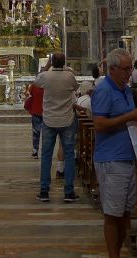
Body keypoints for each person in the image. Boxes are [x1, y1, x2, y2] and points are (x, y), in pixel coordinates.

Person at [91, 48, 137, 258]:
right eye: (125, 69)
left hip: (126, 158)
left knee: (125, 212)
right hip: (111, 159)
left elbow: (125, 117)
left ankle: (119, 252)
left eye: (130, 68)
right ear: (112, 69)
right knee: (113, 214)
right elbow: (98, 124)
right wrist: (129, 117)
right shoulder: (104, 90)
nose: (129, 73)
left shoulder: (124, 89)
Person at [34, 52, 79, 203]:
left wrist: (46, 67)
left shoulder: (46, 76)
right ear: (64, 63)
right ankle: (69, 191)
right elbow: (75, 87)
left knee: (46, 155)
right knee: (69, 155)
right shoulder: (69, 76)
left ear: (51, 62)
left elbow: (36, 82)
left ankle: (44, 191)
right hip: (67, 119)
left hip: (49, 120)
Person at [24, 77, 45, 158]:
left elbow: (29, 95)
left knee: (36, 132)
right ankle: (45, 151)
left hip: (36, 111)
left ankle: (35, 151)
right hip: (46, 112)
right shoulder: (48, 86)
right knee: (46, 133)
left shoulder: (34, 86)